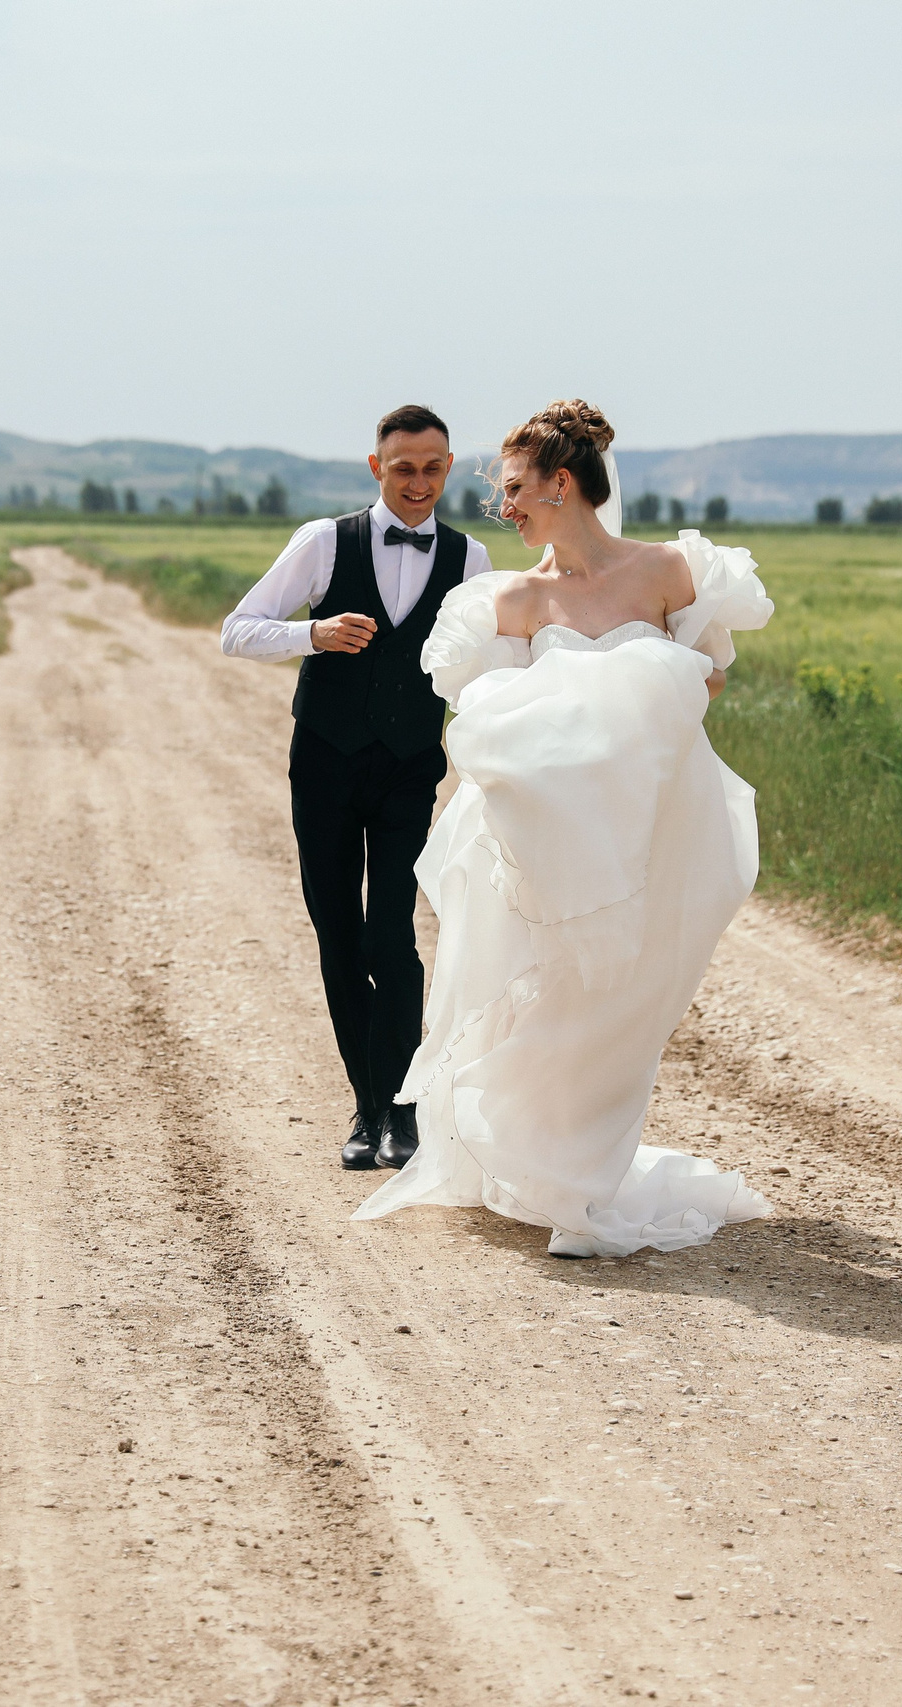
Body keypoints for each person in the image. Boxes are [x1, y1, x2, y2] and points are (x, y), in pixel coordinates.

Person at [353, 400, 775, 1257]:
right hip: (550, 838)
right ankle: (547, 1170)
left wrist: (638, 695)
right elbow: (489, 716)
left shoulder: (670, 572)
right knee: (553, 993)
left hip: (649, 823)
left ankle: (585, 1174)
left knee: (624, 1000)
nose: (502, 505)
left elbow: (707, 679)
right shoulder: (512, 598)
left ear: (562, 483)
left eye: (515, 487)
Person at [221, 405, 495, 1171]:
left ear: (448, 467)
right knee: (340, 938)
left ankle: (402, 1110)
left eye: (433, 468)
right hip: (325, 767)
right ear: (377, 467)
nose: (419, 482)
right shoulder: (322, 541)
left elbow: (493, 661)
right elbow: (237, 628)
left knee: (391, 938)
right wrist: (311, 634)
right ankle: (367, 1106)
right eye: (403, 468)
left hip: (408, 769)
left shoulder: (470, 559)